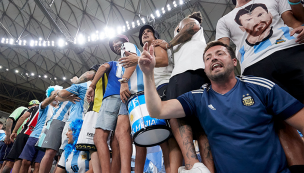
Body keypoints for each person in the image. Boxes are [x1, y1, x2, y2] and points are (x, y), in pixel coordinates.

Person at [139, 40, 304, 173]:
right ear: (205, 69)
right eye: (208, 58)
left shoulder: (260, 86)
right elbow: (157, 110)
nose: (214, 58)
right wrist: (148, 73)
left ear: (234, 61)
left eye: (220, 54)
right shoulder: (198, 97)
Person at [216, 0, 304, 171]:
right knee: (281, 126)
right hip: (255, 67)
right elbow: (222, 49)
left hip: (291, 49)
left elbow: (293, 22)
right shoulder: (224, 20)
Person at [152, 12, 214, 172]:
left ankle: (192, 164)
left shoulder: (187, 23)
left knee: (178, 117)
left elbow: (190, 26)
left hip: (186, 73)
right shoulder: (195, 42)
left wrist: (168, 44)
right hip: (200, 73)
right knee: (201, 126)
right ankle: (208, 169)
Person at [118, 24, 174, 173]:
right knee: (164, 139)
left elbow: (163, 60)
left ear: (155, 35)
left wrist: (137, 59)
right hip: (154, 94)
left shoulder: (157, 44)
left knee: (168, 140)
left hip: (165, 88)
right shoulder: (144, 52)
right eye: (142, 33)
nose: (145, 33)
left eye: (149, 31)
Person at [86, 35, 136, 173]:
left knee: (99, 137)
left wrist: (92, 86)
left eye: (116, 41)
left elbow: (102, 67)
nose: (114, 45)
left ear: (125, 42)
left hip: (112, 97)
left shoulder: (114, 63)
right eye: (112, 43)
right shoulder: (135, 58)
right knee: (118, 139)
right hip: (128, 96)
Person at [18, 86, 61, 173]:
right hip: (35, 136)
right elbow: (44, 103)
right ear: (49, 96)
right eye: (53, 95)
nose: (55, 97)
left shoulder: (60, 110)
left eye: (57, 95)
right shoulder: (44, 106)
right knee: (25, 162)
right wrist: (54, 95)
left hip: (46, 139)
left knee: (39, 164)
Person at [37, 95, 77, 173]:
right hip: (59, 120)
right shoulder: (70, 91)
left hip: (71, 122)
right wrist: (68, 97)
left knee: (62, 155)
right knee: (50, 152)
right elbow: (56, 96)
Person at [7, 100, 40, 173]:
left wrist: (14, 131)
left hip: (25, 133)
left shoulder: (34, 108)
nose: (35, 105)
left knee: (17, 160)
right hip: (36, 137)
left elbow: (22, 117)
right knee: (28, 162)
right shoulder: (52, 110)